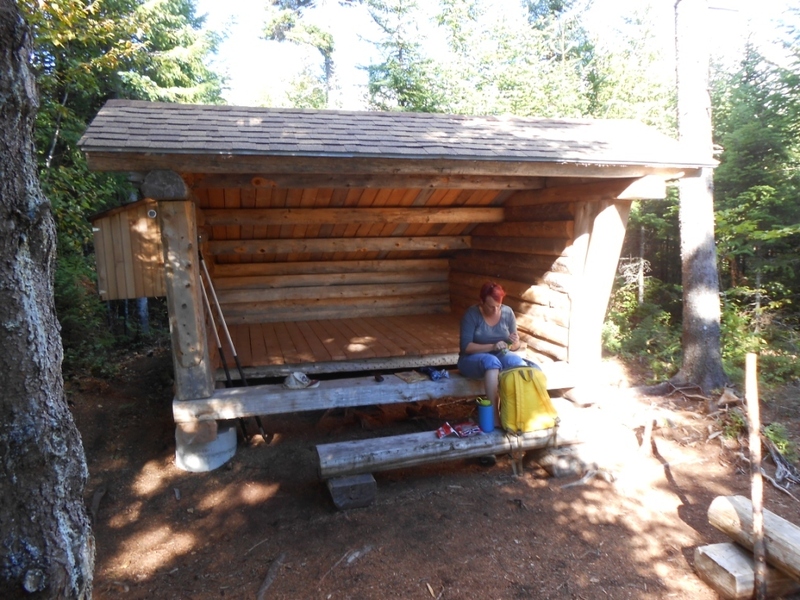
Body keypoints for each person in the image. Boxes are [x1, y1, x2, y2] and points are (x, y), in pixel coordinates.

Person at [457, 281, 526, 422]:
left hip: (500, 354)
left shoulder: (507, 313)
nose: (495, 310)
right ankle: (494, 417)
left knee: (518, 363)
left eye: (498, 306)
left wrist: (514, 342)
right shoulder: (472, 314)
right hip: (471, 358)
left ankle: (519, 414)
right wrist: (492, 346)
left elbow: (515, 346)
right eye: (491, 306)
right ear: (481, 301)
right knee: (491, 362)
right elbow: (466, 347)